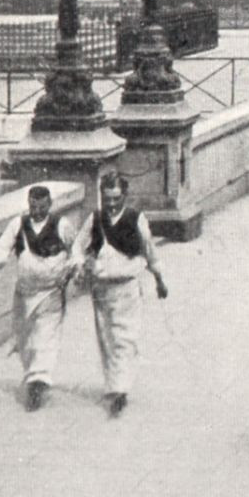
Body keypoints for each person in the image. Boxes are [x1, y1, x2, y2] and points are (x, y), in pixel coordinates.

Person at [71, 173, 169, 418]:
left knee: (125, 337)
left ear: (124, 196)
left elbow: (150, 251)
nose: (112, 203)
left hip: (127, 288)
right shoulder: (95, 219)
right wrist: (80, 264)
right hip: (102, 288)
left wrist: (159, 279)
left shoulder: (137, 219)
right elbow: (77, 246)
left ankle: (120, 389)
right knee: (107, 338)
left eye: (116, 198)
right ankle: (113, 384)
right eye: (107, 199)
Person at [0, 185, 79, 411]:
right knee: (25, 339)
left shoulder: (61, 225)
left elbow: (76, 251)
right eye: (33, 206)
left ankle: (38, 382)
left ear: (50, 205)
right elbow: (2, 247)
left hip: (51, 292)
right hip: (25, 293)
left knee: (45, 337)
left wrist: (74, 267)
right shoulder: (18, 225)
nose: (36, 211)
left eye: (42, 207)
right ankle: (32, 373)